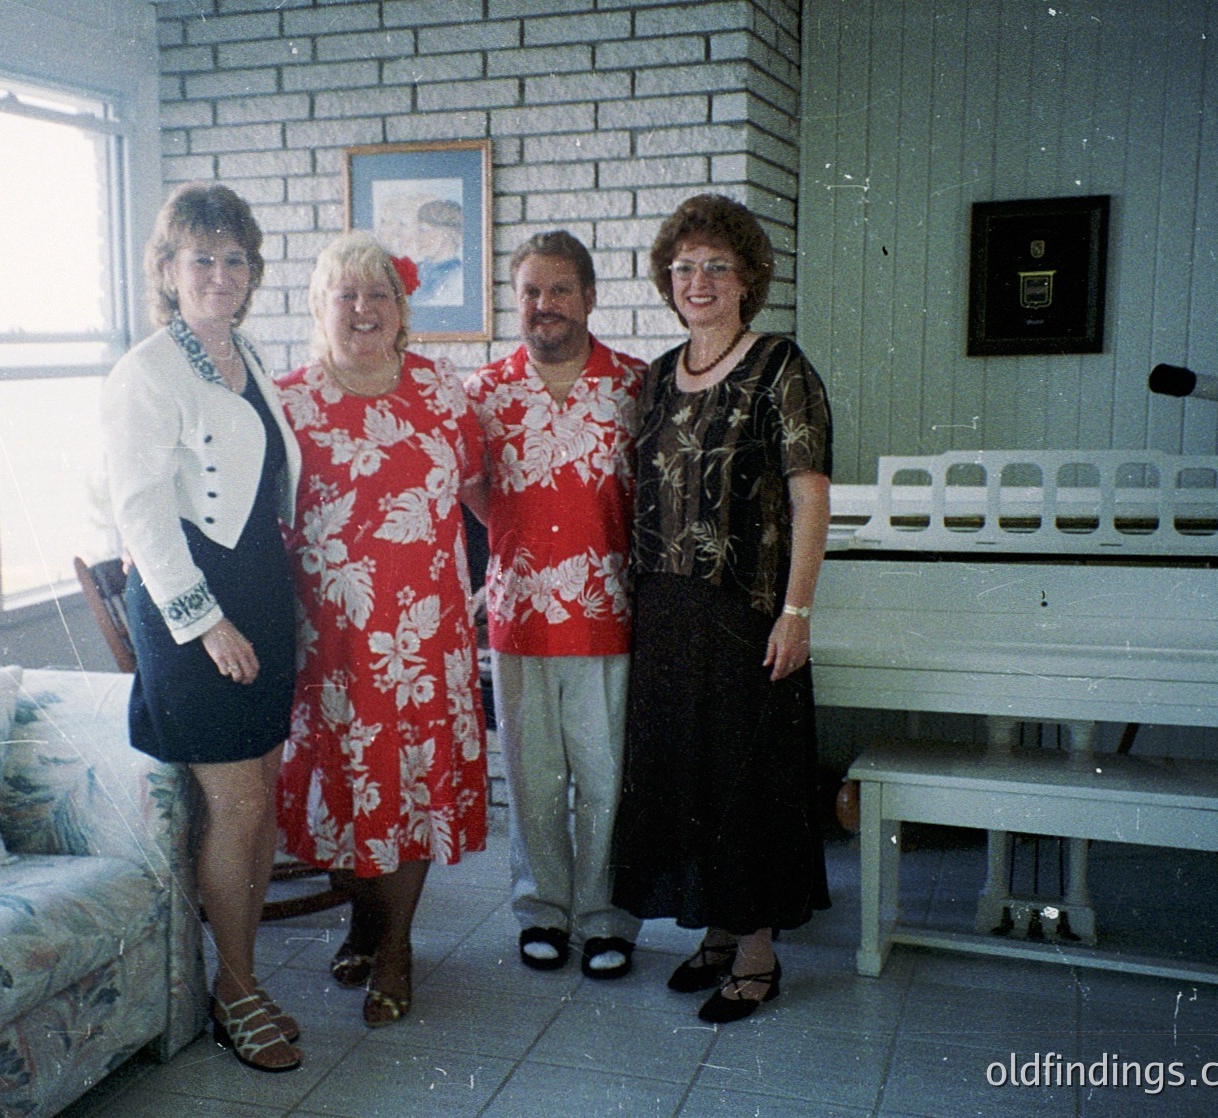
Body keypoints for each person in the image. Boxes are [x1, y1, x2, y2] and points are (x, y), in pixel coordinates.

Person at [611, 193, 833, 1024]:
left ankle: (756, 951)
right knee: (682, 777)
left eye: (715, 267)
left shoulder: (781, 367)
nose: (697, 281)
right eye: (683, 268)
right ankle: (711, 929)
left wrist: (797, 613)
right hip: (665, 610)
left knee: (746, 782)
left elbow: (811, 499)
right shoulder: (655, 377)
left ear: (747, 280)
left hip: (745, 611)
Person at [101, 182, 303, 1072]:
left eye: (234, 260)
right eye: (201, 259)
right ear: (168, 271)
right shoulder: (146, 370)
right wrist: (203, 621)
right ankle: (235, 988)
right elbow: (137, 509)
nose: (219, 274)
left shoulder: (243, 353)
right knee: (239, 803)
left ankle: (241, 976)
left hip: (257, 584)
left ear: (251, 273)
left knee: (260, 793)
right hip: (197, 605)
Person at [276, 231, 488, 1028]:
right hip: (328, 644)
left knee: (411, 788)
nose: (363, 310)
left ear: (403, 311)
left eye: (379, 296)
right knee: (347, 790)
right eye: (346, 295)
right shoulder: (288, 402)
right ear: (320, 308)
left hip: (426, 639)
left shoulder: (441, 393)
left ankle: (394, 943)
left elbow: (476, 494)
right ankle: (366, 918)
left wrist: (513, 571)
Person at [463, 231, 647, 978]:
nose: (545, 306)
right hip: (522, 616)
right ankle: (541, 910)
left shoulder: (637, 386)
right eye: (531, 292)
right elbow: (476, 492)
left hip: (610, 613)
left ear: (590, 297)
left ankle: (607, 916)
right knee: (533, 774)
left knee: (605, 774)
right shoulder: (484, 393)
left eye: (560, 289)